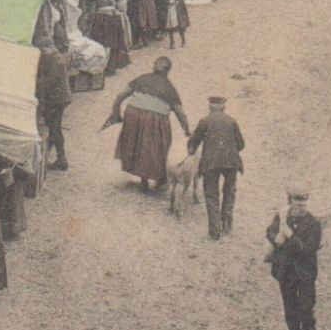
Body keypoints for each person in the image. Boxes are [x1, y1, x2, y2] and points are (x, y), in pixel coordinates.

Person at [104, 56, 190, 192]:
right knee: (158, 145)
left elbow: (121, 95)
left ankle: (144, 179)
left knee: (137, 144)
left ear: (154, 66)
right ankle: (158, 178)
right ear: (167, 71)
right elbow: (181, 113)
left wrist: (116, 111)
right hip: (155, 118)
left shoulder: (142, 79)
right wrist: (187, 130)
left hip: (133, 112)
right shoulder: (169, 87)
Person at [266, 189, 323, 330]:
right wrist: (276, 236)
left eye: (305, 204)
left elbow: (307, 249)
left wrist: (289, 235)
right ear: (291, 202)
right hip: (286, 271)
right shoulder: (282, 217)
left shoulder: (313, 223)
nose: (303, 208)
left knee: (306, 308)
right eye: (299, 204)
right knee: (290, 309)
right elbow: (270, 231)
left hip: (305, 273)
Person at [187, 96, 245, 241]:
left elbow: (193, 142)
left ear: (210, 107)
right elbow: (241, 144)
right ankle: (226, 225)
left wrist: (191, 151)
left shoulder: (204, 121)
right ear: (224, 107)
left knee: (211, 195)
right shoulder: (232, 121)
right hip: (231, 162)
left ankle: (215, 232)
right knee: (229, 192)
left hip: (210, 163)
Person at [36, 40, 71, 171]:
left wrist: (38, 86)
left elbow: (49, 82)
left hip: (57, 99)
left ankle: (61, 159)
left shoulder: (52, 59)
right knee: (54, 127)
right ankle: (49, 158)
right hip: (61, 97)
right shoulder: (56, 56)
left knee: (54, 127)